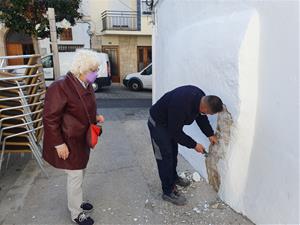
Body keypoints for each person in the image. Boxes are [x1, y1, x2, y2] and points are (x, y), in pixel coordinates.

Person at [43, 49, 104, 225]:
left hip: (82, 138)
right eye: (93, 70)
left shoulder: (85, 84)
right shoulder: (60, 86)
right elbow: (50, 118)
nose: (96, 73)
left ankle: (77, 201)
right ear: (82, 69)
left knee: (81, 171)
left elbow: (86, 107)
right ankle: (76, 213)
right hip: (68, 141)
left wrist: (96, 116)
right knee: (75, 176)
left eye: (96, 69)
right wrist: (58, 143)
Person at [148, 85, 223, 206]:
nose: (207, 115)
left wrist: (210, 134)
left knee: (173, 151)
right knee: (165, 157)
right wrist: (194, 145)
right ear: (204, 106)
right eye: (208, 113)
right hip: (158, 124)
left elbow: (201, 117)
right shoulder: (180, 105)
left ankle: (173, 178)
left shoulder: (201, 98)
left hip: (170, 123)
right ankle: (168, 191)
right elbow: (175, 132)